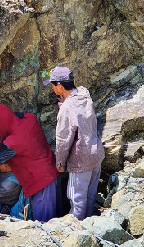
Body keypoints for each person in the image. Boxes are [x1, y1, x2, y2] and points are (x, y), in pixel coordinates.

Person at [0, 104, 61, 222]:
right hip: (51, 169)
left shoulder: (13, 142)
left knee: (44, 218)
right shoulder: (30, 118)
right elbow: (15, 116)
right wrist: (0, 112)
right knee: (53, 212)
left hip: (41, 181)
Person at [44, 66, 105, 221]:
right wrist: (63, 103)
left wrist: (60, 162)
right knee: (90, 196)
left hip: (80, 160)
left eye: (52, 84)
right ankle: (90, 226)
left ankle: (77, 234)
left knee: (77, 200)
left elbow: (64, 140)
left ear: (60, 85)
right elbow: (78, 114)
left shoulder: (66, 109)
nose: (51, 87)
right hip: (96, 153)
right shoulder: (85, 95)